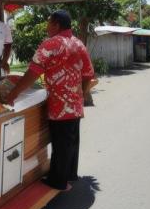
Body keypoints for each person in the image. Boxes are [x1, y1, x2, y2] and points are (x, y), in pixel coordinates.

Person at [6, 10, 94, 191]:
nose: (47, 27)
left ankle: (59, 182)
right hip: (75, 105)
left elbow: (33, 73)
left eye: (48, 23)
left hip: (59, 105)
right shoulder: (79, 44)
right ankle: (70, 175)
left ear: (56, 25)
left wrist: (13, 94)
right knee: (71, 141)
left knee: (61, 143)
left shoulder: (50, 44)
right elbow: (88, 74)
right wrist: (81, 94)